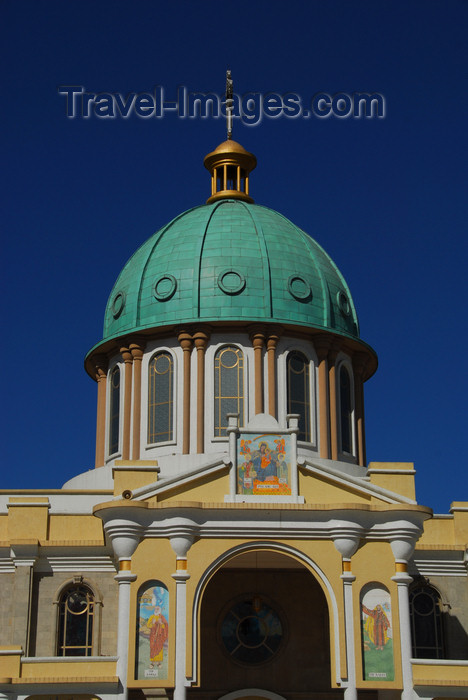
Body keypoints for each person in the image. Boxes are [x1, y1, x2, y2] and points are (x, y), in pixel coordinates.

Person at [147, 603, 169, 667]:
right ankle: (152, 663)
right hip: (153, 635)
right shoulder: (152, 617)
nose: (156, 610)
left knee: (159, 648)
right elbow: (148, 625)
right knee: (153, 647)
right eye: (155, 609)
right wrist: (153, 623)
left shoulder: (161, 617)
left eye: (157, 609)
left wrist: (161, 623)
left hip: (159, 636)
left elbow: (165, 626)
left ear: (159, 610)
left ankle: (159, 663)